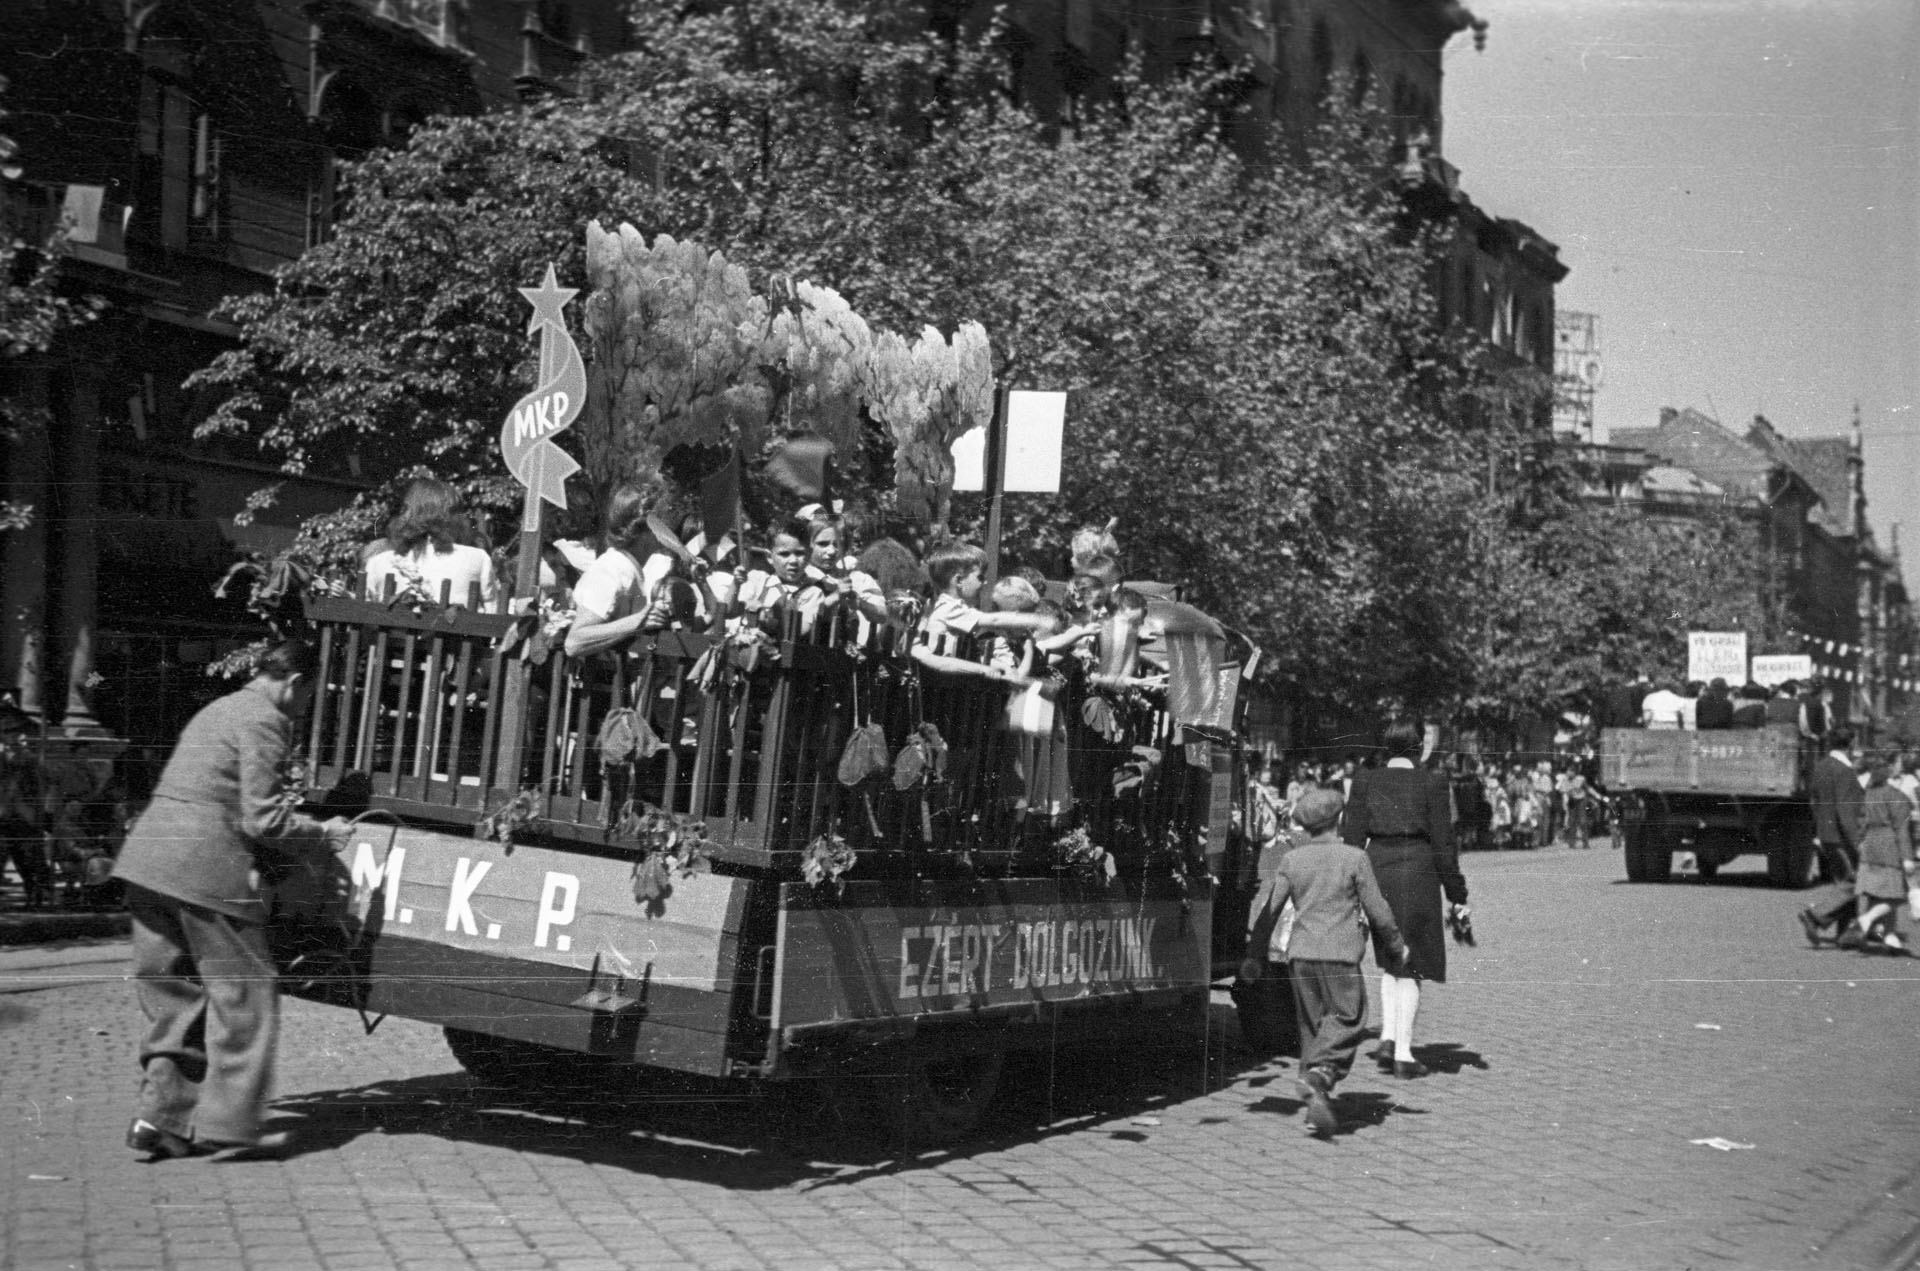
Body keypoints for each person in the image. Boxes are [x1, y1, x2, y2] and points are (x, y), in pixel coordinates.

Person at [110, 641, 349, 1160]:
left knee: (174, 997)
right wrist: (322, 834)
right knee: (248, 996)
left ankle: (160, 1118)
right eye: (309, 695)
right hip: (206, 869)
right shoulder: (266, 720)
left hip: (149, 862)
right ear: (295, 683)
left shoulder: (218, 709)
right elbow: (261, 818)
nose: (305, 707)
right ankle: (229, 1122)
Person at [1242, 787, 1409, 1138]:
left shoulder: (1292, 860)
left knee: (1312, 1027)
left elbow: (1268, 913)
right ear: (1338, 819)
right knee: (1350, 1016)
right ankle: (1319, 1074)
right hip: (1339, 954)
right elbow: (1378, 910)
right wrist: (1396, 945)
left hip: (1300, 954)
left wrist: (1254, 955)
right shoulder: (1354, 858)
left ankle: (1314, 1104)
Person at [1342, 721, 1468, 1078]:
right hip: (1418, 869)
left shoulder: (1366, 780)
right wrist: (1457, 894)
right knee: (1412, 962)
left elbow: (1351, 838)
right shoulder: (1432, 781)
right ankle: (1404, 1053)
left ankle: (1387, 1035)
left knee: (1390, 955)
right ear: (1417, 747)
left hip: (1377, 867)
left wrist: (1351, 889)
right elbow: (1444, 844)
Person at [362, 478, 497, 609]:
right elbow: (493, 615)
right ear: (451, 517)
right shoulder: (478, 558)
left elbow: (365, 615)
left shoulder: (377, 563)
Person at [1798, 726, 1865, 947]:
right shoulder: (1845, 772)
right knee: (1855, 883)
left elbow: (1814, 802)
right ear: (1851, 744)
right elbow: (1846, 813)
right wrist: (1857, 843)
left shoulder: (1821, 766)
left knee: (1843, 883)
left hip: (1826, 834)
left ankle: (1843, 934)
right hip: (1842, 837)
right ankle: (1815, 916)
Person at [1841, 757, 1915, 954]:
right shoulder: (1896, 796)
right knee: (1897, 895)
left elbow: (1861, 820)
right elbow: (1901, 830)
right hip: (1890, 846)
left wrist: (1860, 843)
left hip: (1870, 844)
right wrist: (1907, 857)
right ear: (1891, 768)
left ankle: (1890, 937)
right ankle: (1865, 921)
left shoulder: (1870, 793)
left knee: (1878, 894)